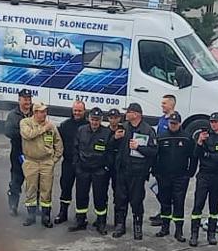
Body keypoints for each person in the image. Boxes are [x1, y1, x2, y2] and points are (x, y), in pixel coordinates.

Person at [151, 103, 196, 240]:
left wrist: (190, 173)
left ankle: (179, 231)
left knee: (178, 203)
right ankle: (164, 227)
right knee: (165, 203)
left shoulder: (187, 138)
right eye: (171, 123)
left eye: (175, 123)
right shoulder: (162, 137)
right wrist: (156, 172)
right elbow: (155, 156)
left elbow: (193, 157)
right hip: (164, 176)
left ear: (180, 123)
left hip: (180, 177)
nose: (173, 125)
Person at [114, 103, 157, 238]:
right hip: (122, 170)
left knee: (136, 200)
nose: (126, 114)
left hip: (138, 172)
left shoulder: (148, 130)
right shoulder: (123, 127)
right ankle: (120, 225)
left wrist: (139, 147)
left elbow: (154, 151)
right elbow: (110, 146)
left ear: (136, 114)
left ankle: (137, 226)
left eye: (129, 112)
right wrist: (115, 138)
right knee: (120, 199)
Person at [71, 108, 115, 233]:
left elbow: (110, 152)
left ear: (101, 120)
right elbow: (75, 148)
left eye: (97, 120)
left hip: (99, 171)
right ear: (89, 119)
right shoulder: (81, 130)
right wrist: (77, 166)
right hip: (83, 169)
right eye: (93, 119)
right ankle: (80, 221)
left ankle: (101, 223)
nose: (95, 122)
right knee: (81, 196)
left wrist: (106, 168)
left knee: (100, 197)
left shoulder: (107, 133)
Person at [19, 101, 62, 228]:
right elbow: (28, 135)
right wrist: (43, 129)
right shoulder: (25, 123)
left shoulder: (51, 126)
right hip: (31, 161)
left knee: (46, 190)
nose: (44, 114)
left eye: (45, 111)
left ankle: (46, 216)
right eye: (42, 112)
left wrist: (54, 160)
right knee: (31, 189)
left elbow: (58, 144)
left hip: (46, 162)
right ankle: (31, 216)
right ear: (35, 112)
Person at [53, 101, 88, 225]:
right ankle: (63, 213)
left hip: (83, 164)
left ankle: (81, 216)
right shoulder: (65, 125)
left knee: (82, 191)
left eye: (80, 111)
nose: (77, 113)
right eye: (75, 110)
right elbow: (56, 142)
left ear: (84, 111)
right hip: (68, 162)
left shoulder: (89, 126)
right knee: (65, 187)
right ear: (72, 111)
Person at [3, 90, 36, 217]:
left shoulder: (35, 113)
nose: (27, 101)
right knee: (16, 180)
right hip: (18, 153)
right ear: (19, 100)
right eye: (25, 99)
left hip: (33, 154)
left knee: (34, 182)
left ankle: (34, 207)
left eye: (29, 99)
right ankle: (13, 206)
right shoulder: (13, 115)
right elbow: (8, 132)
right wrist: (26, 133)